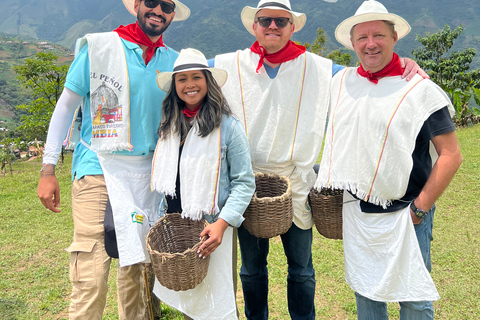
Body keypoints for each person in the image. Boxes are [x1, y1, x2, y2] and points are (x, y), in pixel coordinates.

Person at [211, 0, 425, 319]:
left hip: (298, 183)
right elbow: (186, 74)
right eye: (266, 20)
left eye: (281, 21)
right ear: (254, 26)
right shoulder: (229, 65)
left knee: (301, 269)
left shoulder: (315, 68)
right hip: (248, 186)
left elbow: (363, 77)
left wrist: (401, 66)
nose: (273, 26)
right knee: (252, 270)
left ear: (292, 27)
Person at [36, 0, 190, 319]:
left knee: (135, 272)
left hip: (148, 180)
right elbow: (66, 106)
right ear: (136, 5)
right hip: (98, 169)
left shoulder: (174, 63)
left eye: (167, 5)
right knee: (91, 273)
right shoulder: (100, 48)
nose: (158, 10)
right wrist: (48, 168)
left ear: (173, 14)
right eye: (151, 2)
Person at [315, 1, 463, 319]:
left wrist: (419, 209)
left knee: (413, 298)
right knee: (366, 292)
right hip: (358, 212)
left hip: (408, 212)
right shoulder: (342, 83)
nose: (371, 44)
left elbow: (451, 155)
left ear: (394, 38)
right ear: (353, 44)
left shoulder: (420, 90)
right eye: (363, 37)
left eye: (379, 35)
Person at [150, 48, 255, 320]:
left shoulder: (229, 127)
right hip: (177, 225)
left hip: (211, 227)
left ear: (208, 82)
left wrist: (222, 224)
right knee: (190, 298)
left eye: (196, 77)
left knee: (217, 298)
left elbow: (244, 183)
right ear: (174, 87)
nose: (189, 85)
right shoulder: (169, 125)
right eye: (182, 79)